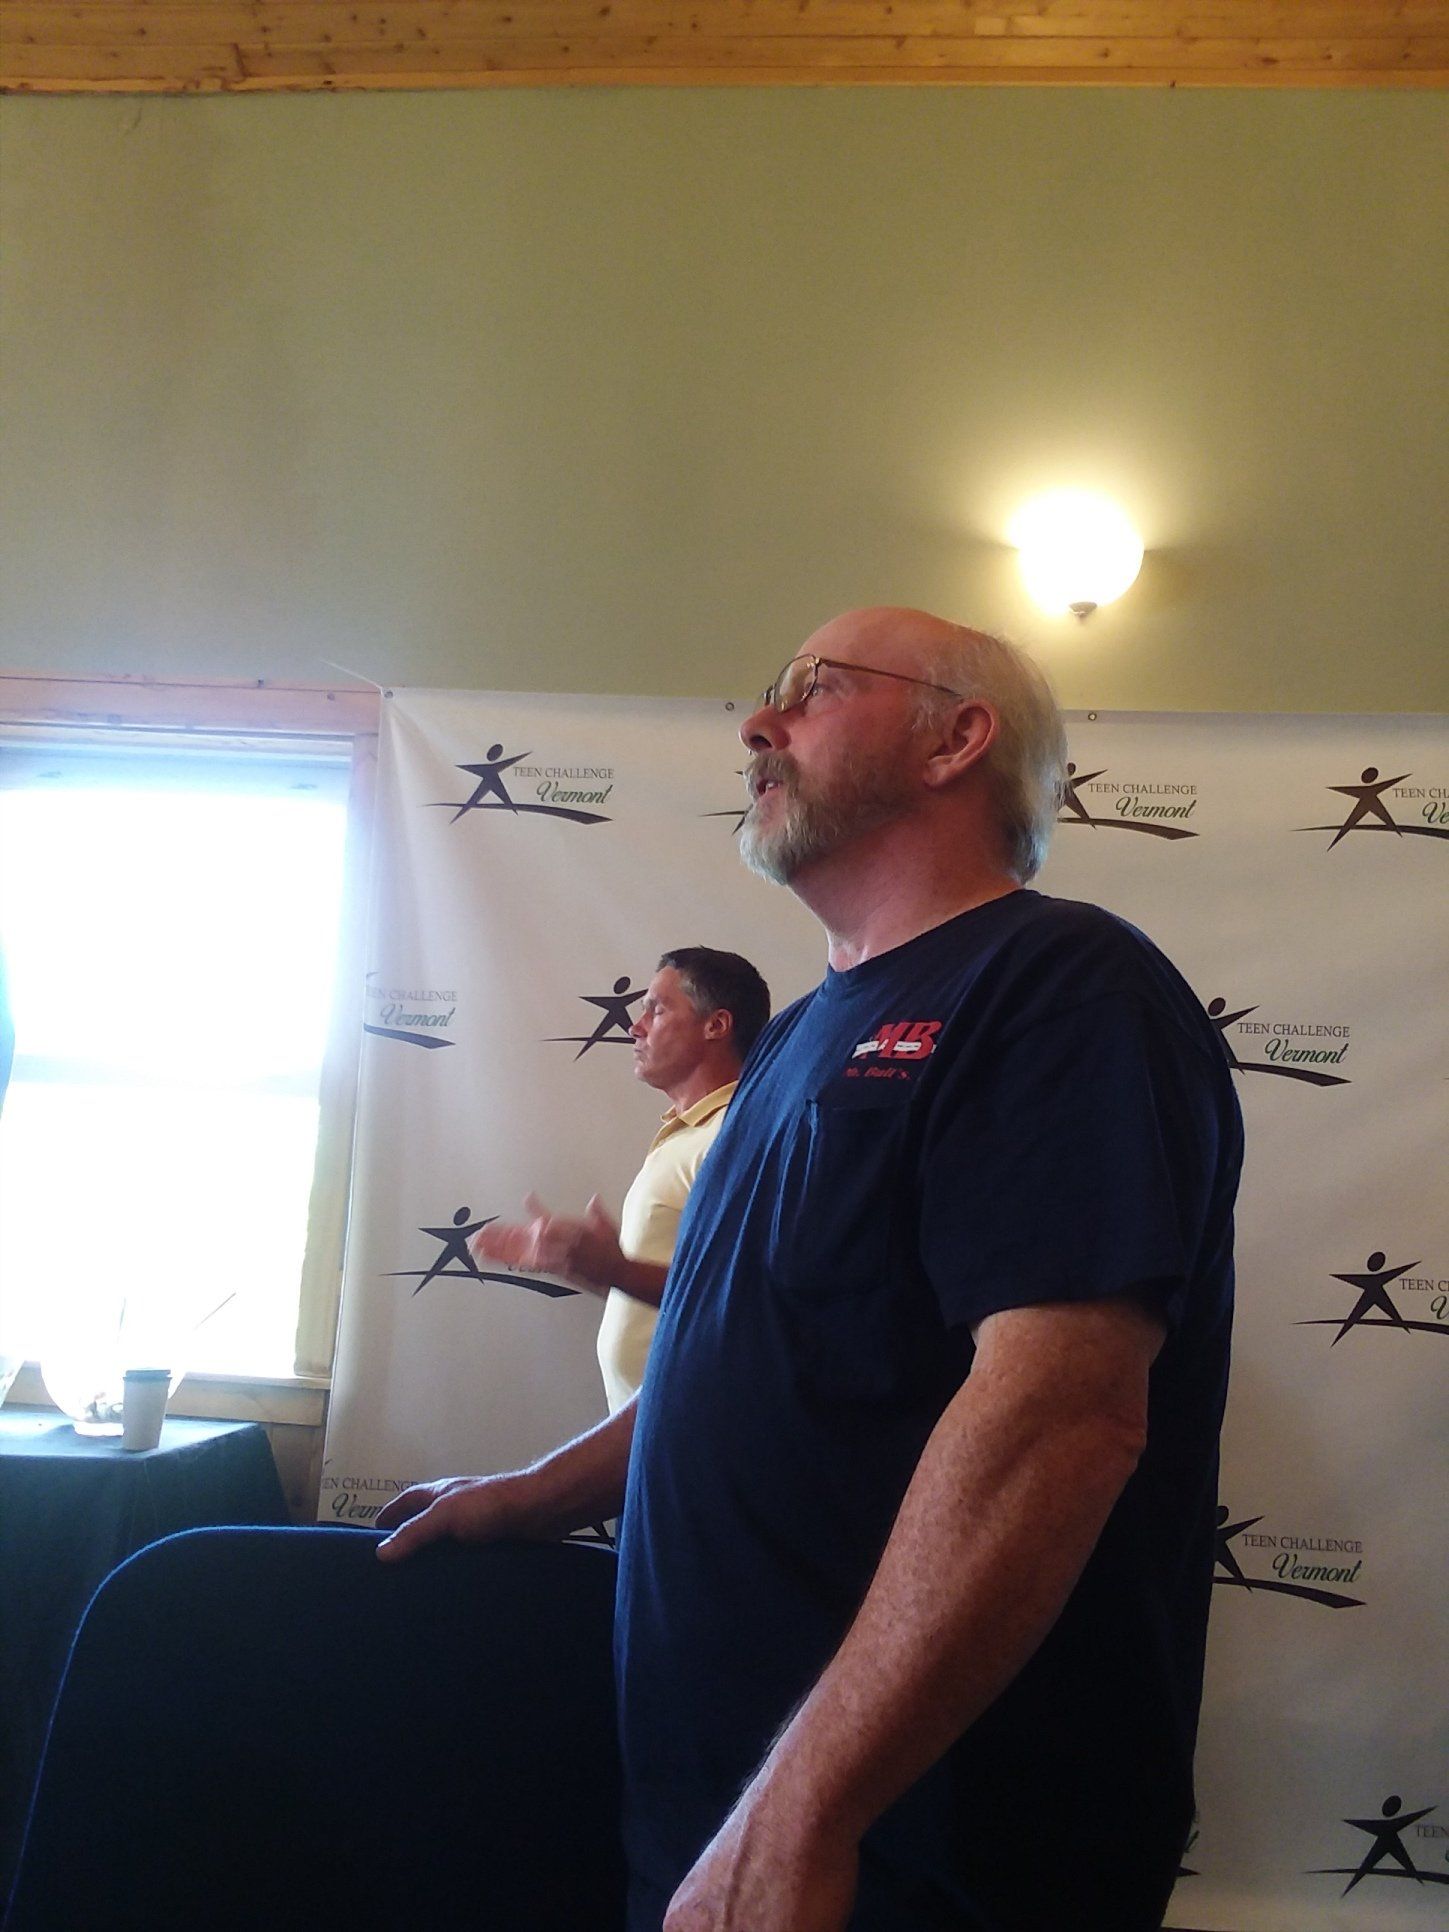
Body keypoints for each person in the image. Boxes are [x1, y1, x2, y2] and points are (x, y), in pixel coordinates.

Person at [377, 607, 1243, 1932]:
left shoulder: (1064, 987)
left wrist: (802, 1814)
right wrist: (531, 1496)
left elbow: (1059, 1414)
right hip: (732, 1801)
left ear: (957, 738)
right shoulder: (797, 1040)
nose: (755, 725)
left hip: (923, 1836)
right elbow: (750, 1362)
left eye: (813, 691)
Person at [479, 947, 770, 1412]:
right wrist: (587, 1265)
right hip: (652, 1433)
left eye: (656, 1009)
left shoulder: (736, 1135)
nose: (635, 1026)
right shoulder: (688, 1135)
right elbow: (676, 1291)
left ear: (716, 1025)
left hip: (698, 1431)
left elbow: (740, 1299)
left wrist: (614, 1268)